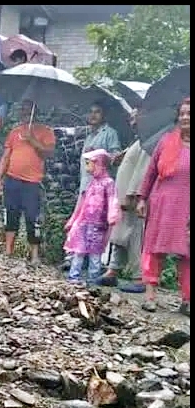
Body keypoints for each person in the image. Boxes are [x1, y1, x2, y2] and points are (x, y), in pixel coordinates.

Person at [136, 97, 190, 316]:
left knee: (187, 254)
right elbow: (150, 173)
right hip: (162, 203)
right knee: (154, 249)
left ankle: (187, 299)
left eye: (190, 114)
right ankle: (150, 295)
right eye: (183, 113)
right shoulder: (166, 141)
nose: (185, 117)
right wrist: (142, 198)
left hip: (187, 208)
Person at [0, 100, 55, 264]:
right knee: (10, 214)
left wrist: (32, 139)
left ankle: (34, 256)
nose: (25, 112)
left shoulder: (46, 131)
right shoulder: (14, 132)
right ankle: (8, 251)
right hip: (12, 179)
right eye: (23, 109)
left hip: (32, 182)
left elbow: (48, 153)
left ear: (36, 111)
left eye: (29, 109)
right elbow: (6, 156)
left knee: (32, 218)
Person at [98, 108, 150, 292]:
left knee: (135, 237)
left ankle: (139, 278)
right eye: (131, 118)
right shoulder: (138, 141)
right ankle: (112, 271)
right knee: (119, 235)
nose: (133, 121)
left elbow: (142, 171)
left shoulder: (148, 142)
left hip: (132, 198)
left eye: (137, 117)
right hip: (123, 197)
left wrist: (132, 195)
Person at [64, 149, 120, 284]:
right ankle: (74, 276)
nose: (86, 166)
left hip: (98, 224)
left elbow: (112, 199)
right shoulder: (92, 183)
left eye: (88, 163)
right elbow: (83, 203)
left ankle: (93, 279)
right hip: (84, 222)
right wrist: (73, 220)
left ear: (97, 163)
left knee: (95, 252)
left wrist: (112, 215)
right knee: (79, 250)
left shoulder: (108, 182)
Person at [79, 101, 122, 194]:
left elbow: (117, 158)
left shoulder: (110, 133)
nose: (93, 115)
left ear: (104, 115)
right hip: (86, 185)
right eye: (91, 112)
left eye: (97, 112)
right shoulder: (89, 137)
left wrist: (98, 154)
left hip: (101, 187)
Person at [0, 49, 28, 131]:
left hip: (16, 100)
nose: (13, 63)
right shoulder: (13, 71)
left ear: (22, 59)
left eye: (16, 60)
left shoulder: (26, 73)